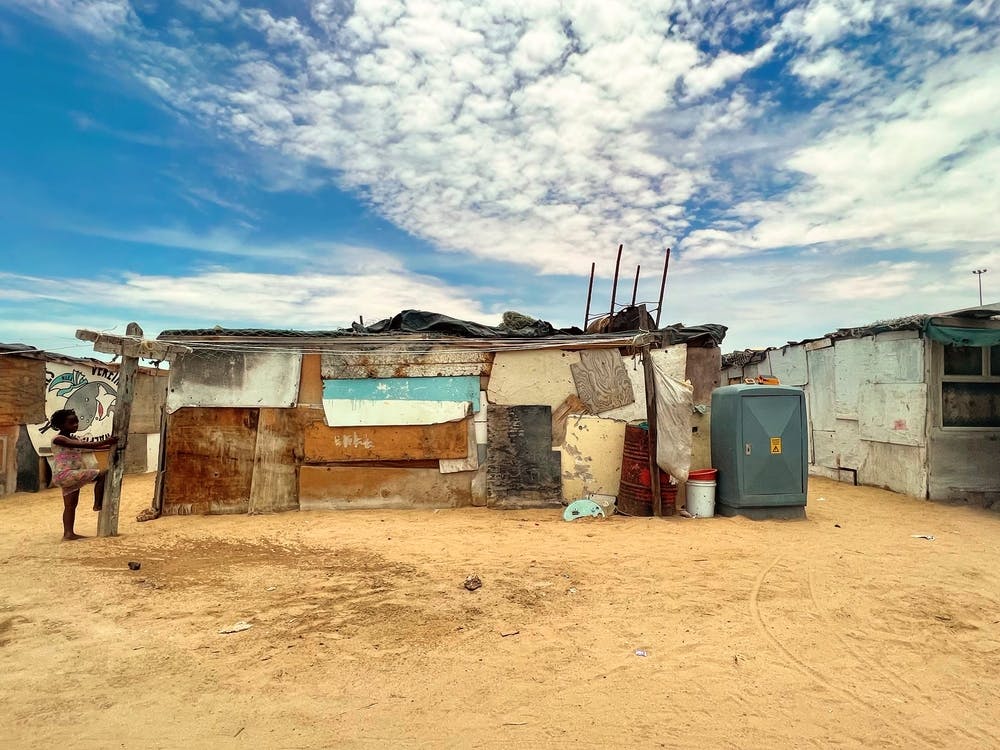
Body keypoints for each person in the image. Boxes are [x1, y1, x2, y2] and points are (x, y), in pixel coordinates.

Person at [49, 408, 117, 541]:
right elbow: (86, 444)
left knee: (70, 505)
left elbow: (90, 447)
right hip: (67, 474)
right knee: (102, 474)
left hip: (66, 475)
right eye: (71, 423)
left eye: (76, 422)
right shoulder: (59, 439)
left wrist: (111, 445)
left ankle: (68, 534)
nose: (75, 425)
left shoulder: (73, 438)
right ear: (61, 425)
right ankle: (97, 504)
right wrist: (105, 442)